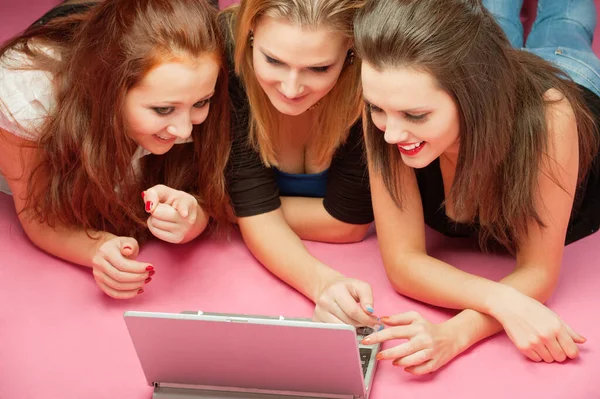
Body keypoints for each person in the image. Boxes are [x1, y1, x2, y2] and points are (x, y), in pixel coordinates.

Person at [354, 0, 599, 375]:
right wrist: (501, 299)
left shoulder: (552, 118)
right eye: (376, 109)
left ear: (473, 96)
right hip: (486, 76)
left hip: (567, 76)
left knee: (565, 26)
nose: (390, 133)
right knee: (489, 20)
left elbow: (538, 270)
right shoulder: (391, 99)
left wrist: (456, 333)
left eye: (416, 116)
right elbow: (403, 262)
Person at [0, 0, 230, 299]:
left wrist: (193, 218)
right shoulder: (28, 89)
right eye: (163, 109)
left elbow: (208, 195)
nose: (185, 130)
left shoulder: (202, 77)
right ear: (109, 88)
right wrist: (97, 248)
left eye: (201, 102)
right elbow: (39, 216)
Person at [220, 0, 378, 327]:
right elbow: (255, 211)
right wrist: (324, 283)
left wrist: (221, 207)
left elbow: (347, 224)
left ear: (351, 49)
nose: (291, 89)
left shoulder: (373, 72)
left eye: (318, 68)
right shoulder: (225, 57)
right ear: (249, 34)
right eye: (273, 60)